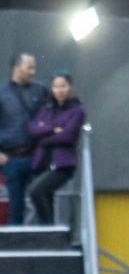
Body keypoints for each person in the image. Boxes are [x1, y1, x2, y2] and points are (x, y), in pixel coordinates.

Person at [23, 73, 85, 225]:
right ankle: (48, 229)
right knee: (45, 196)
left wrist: (44, 140)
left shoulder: (77, 110)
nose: (60, 90)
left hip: (62, 164)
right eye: (56, 87)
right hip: (42, 162)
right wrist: (52, 129)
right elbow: (32, 129)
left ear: (70, 87)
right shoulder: (47, 108)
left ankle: (47, 228)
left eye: (63, 86)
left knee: (36, 191)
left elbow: (68, 135)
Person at [0, 52, 46, 224]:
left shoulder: (40, 91)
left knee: (43, 202)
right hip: (11, 158)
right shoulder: (1, 92)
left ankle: (47, 237)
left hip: (36, 156)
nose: (33, 72)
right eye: (30, 68)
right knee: (15, 207)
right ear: (16, 68)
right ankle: (15, 240)